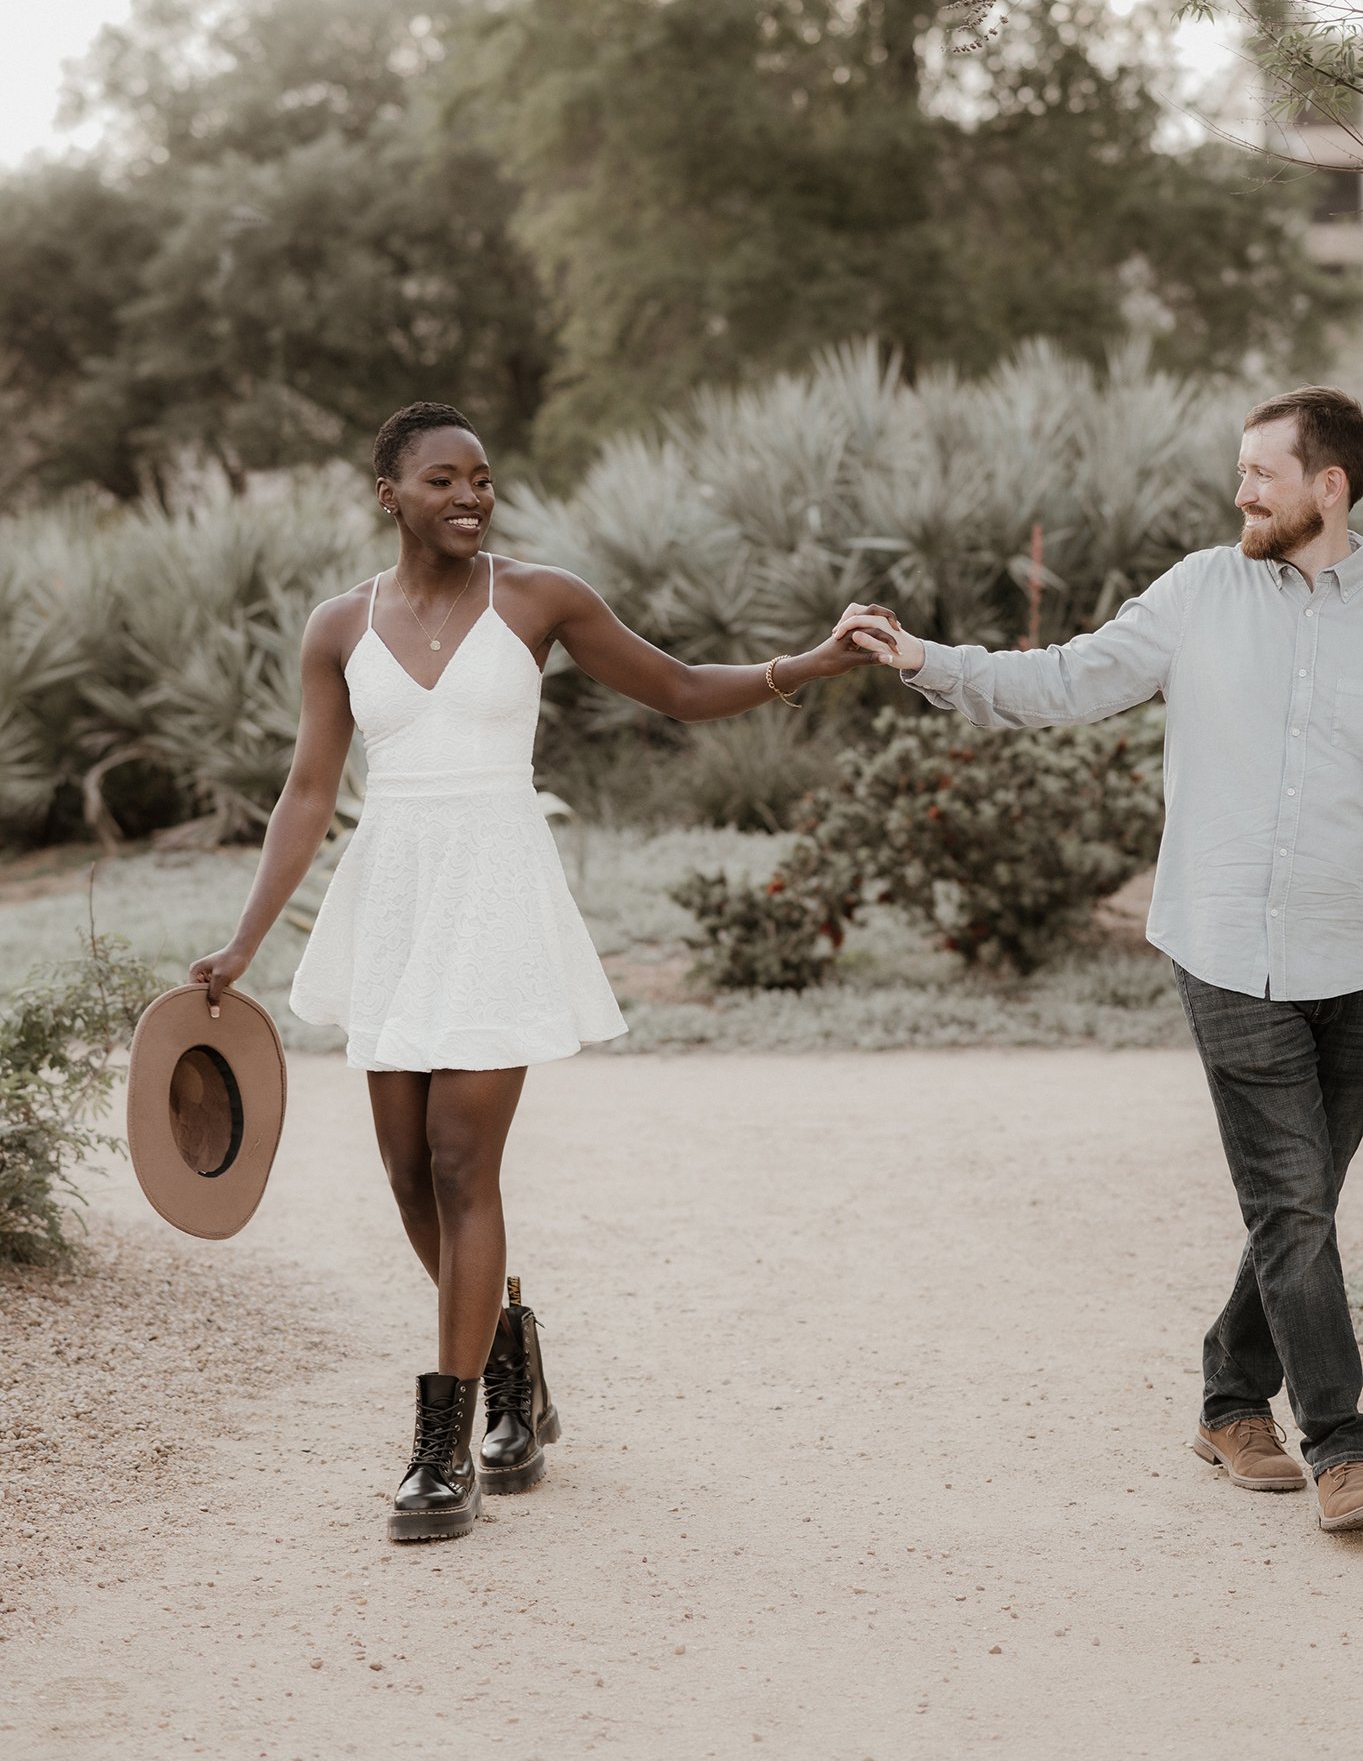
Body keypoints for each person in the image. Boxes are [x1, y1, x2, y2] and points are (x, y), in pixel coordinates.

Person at [190, 400, 885, 1544]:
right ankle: (514, 1352)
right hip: (397, 901)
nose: (469, 496)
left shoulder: (539, 597)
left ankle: (441, 1445)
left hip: (496, 895)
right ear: (390, 495)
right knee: (408, 1175)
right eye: (442, 480)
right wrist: (246, 937)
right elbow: (307, 792)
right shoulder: (335, 625)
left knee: (464, 1161)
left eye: (482, 479)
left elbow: (672, 686)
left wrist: (807, 662)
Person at [834, 385, 1363, 1535]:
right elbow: (1064, 678)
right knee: (1291, 1201)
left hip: (1354, 951)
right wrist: (924, 657)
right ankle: (1342, 1444)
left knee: (1303, 1203)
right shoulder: (1199, 593)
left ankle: (1230, 1397)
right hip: (1225, 944)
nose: (1240, 492)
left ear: (1327, 486)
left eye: (1261, 474)